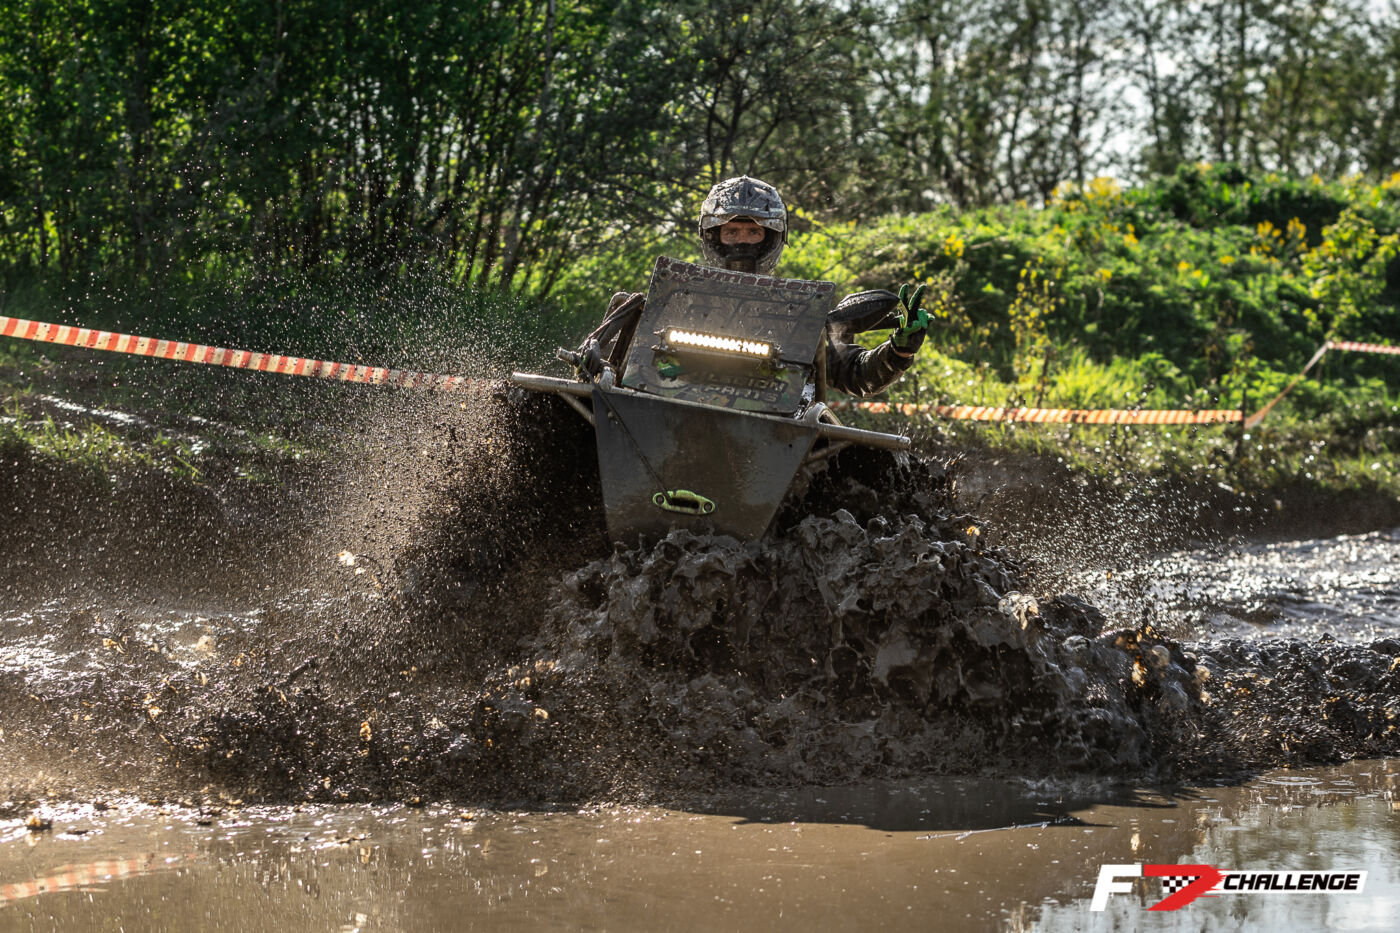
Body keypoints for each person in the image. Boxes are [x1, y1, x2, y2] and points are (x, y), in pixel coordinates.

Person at [583, 175, 930, 397]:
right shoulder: (672, 299)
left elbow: (855, 374)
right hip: (658, 414)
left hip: (777, 432)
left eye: (753, 231)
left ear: (771, 238)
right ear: (713, 236)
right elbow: (600, 371)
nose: (741, 241)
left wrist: (897, 352)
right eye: (731, 231)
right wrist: (596, 361)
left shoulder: (797, 311)